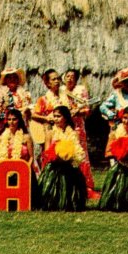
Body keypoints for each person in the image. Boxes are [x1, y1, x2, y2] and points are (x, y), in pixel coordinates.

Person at [38, 106, 88, 211]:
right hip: (54, 166)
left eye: (58, 116)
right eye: (54, 116)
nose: (55, 119)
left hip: (69, 166)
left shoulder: (74, 133)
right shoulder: (50, 133)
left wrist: (69, 156)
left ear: (65, 118)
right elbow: (46, 152)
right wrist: (56, 155)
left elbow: (77, 149)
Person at [60, 69, 97, 198]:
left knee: (81, 155)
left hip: (77, 127)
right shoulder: (60, 91)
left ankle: (84, 184)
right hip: (63, 127)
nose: (70, 79)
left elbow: (87, 109)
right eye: (67, 76)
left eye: (72, 77)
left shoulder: (81, 91)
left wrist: (77, 111)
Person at [0, 108, 41, 209]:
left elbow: (32, 157)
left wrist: (25, 170)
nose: (11, 122)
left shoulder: (26, 137)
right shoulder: (1, 138)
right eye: (9, 119)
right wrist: (2, 170)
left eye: (14, 119)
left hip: (23, 172)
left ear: (19, 120)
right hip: (6, 173)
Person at [32, 69, 70, 162]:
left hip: (65, 132)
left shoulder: (67, 97)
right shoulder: (43, 99)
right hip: (50, 134)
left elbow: (72, 110)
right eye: (53, 79)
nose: (57, 81)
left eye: (58, 79)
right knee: (50, 158)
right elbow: (33, 115)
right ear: (48, 83)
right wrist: (46, 118)